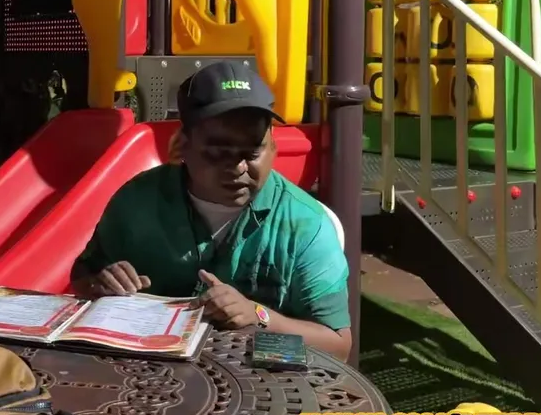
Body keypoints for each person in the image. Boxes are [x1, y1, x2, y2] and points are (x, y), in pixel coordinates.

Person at [70, 60, 352, 358]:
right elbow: (82, 279)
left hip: (262, 378)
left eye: (252, 152)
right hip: (147, 369)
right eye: (218, 152)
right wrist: (102, 283)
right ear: (182, 146)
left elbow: (339, 346)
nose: (239, 167)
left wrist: (258, 315)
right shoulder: (137, 201)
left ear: (273, 147)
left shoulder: (304, 224)